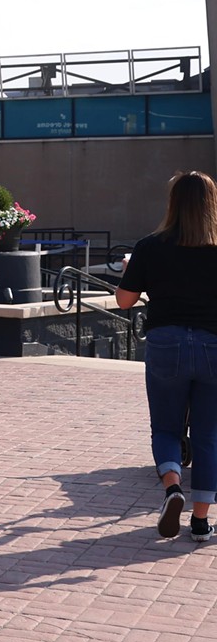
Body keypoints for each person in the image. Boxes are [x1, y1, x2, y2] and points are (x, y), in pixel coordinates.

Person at [115, 171, 217, 543]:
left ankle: (173, 488)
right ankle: (202, 521)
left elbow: (124, 300)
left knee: (167, 428)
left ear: (172, 203)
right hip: (213, 344)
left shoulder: (150, 245)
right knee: (208, 435)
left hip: (165, 341)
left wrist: (132, 274)